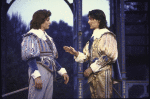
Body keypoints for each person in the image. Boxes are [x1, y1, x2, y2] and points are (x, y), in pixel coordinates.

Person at [63, 9, 118, 98]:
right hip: (93, 76)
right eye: (89, 19)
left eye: (91, 19)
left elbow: (109, 56)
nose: (89, 22)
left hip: (104, 74)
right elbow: (86, 56)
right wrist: (75, 53)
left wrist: (91, 69)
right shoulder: (93, 37)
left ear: (99, 20)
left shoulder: (107, 35)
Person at [21, 9, 69, 99]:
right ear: (40, 21)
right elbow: (30, 58)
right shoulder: (31, 36)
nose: (49, 22)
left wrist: (62, 72)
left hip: (50, 73)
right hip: (38, 70)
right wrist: (37, 76)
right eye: (47, 20)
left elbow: (51, 58)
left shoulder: (48, 38)